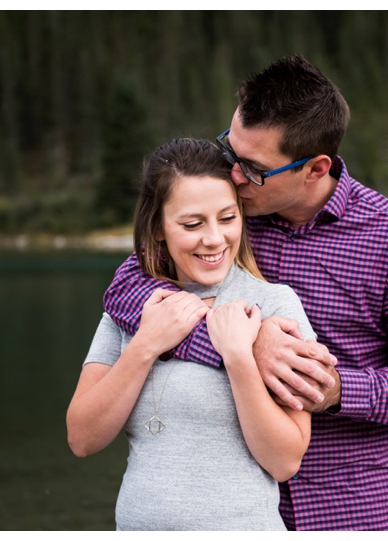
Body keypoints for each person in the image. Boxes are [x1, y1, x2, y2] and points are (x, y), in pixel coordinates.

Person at [102, 56, 388, 530]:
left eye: (254, 167)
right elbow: (128, 285)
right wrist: (246, 344)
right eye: (230, 150)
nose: (235, 175)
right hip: (230, 508)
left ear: (315, 168)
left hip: (347, 506)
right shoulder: (226, 215)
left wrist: (335, 390)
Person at [66, 138, 317, 531]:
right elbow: (82, 438)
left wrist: (238, 358)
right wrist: (146, 345)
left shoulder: (274, 305)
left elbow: (285, 462)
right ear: (159, 228)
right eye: (192, 224)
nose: (215, 239)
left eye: (227, 218)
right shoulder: (130, 307)